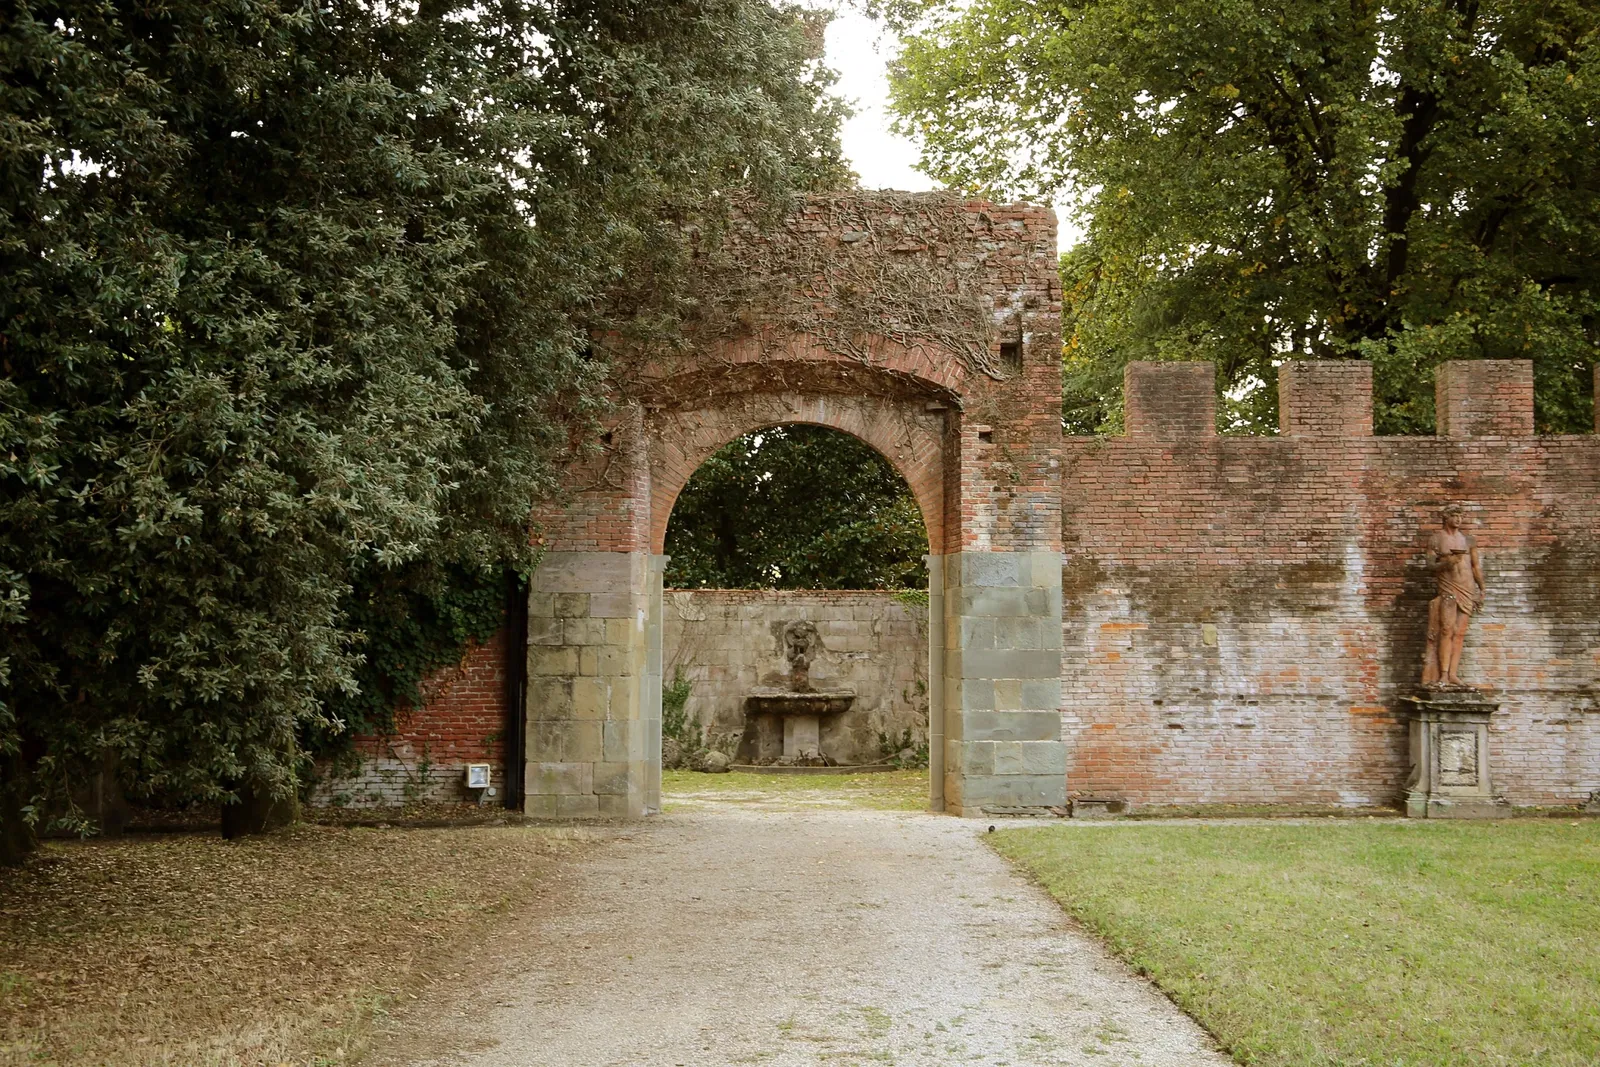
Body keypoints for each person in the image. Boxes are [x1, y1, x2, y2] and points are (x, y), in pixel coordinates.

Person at [1422, 504, 1484, 687]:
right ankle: (1443, 674)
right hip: (1448, 588)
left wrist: (1482, 588)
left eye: (1460, 516)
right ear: (1446, 518)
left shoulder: (1469, 540)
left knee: (1459, 633)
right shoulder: (1436, 539)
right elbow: (1430, 566)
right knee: (1446, 630)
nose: (1458, 519)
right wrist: (1448, 563)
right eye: (1455, 515)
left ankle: (1454, 674)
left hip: (1467, 588)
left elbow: (1475, 566)